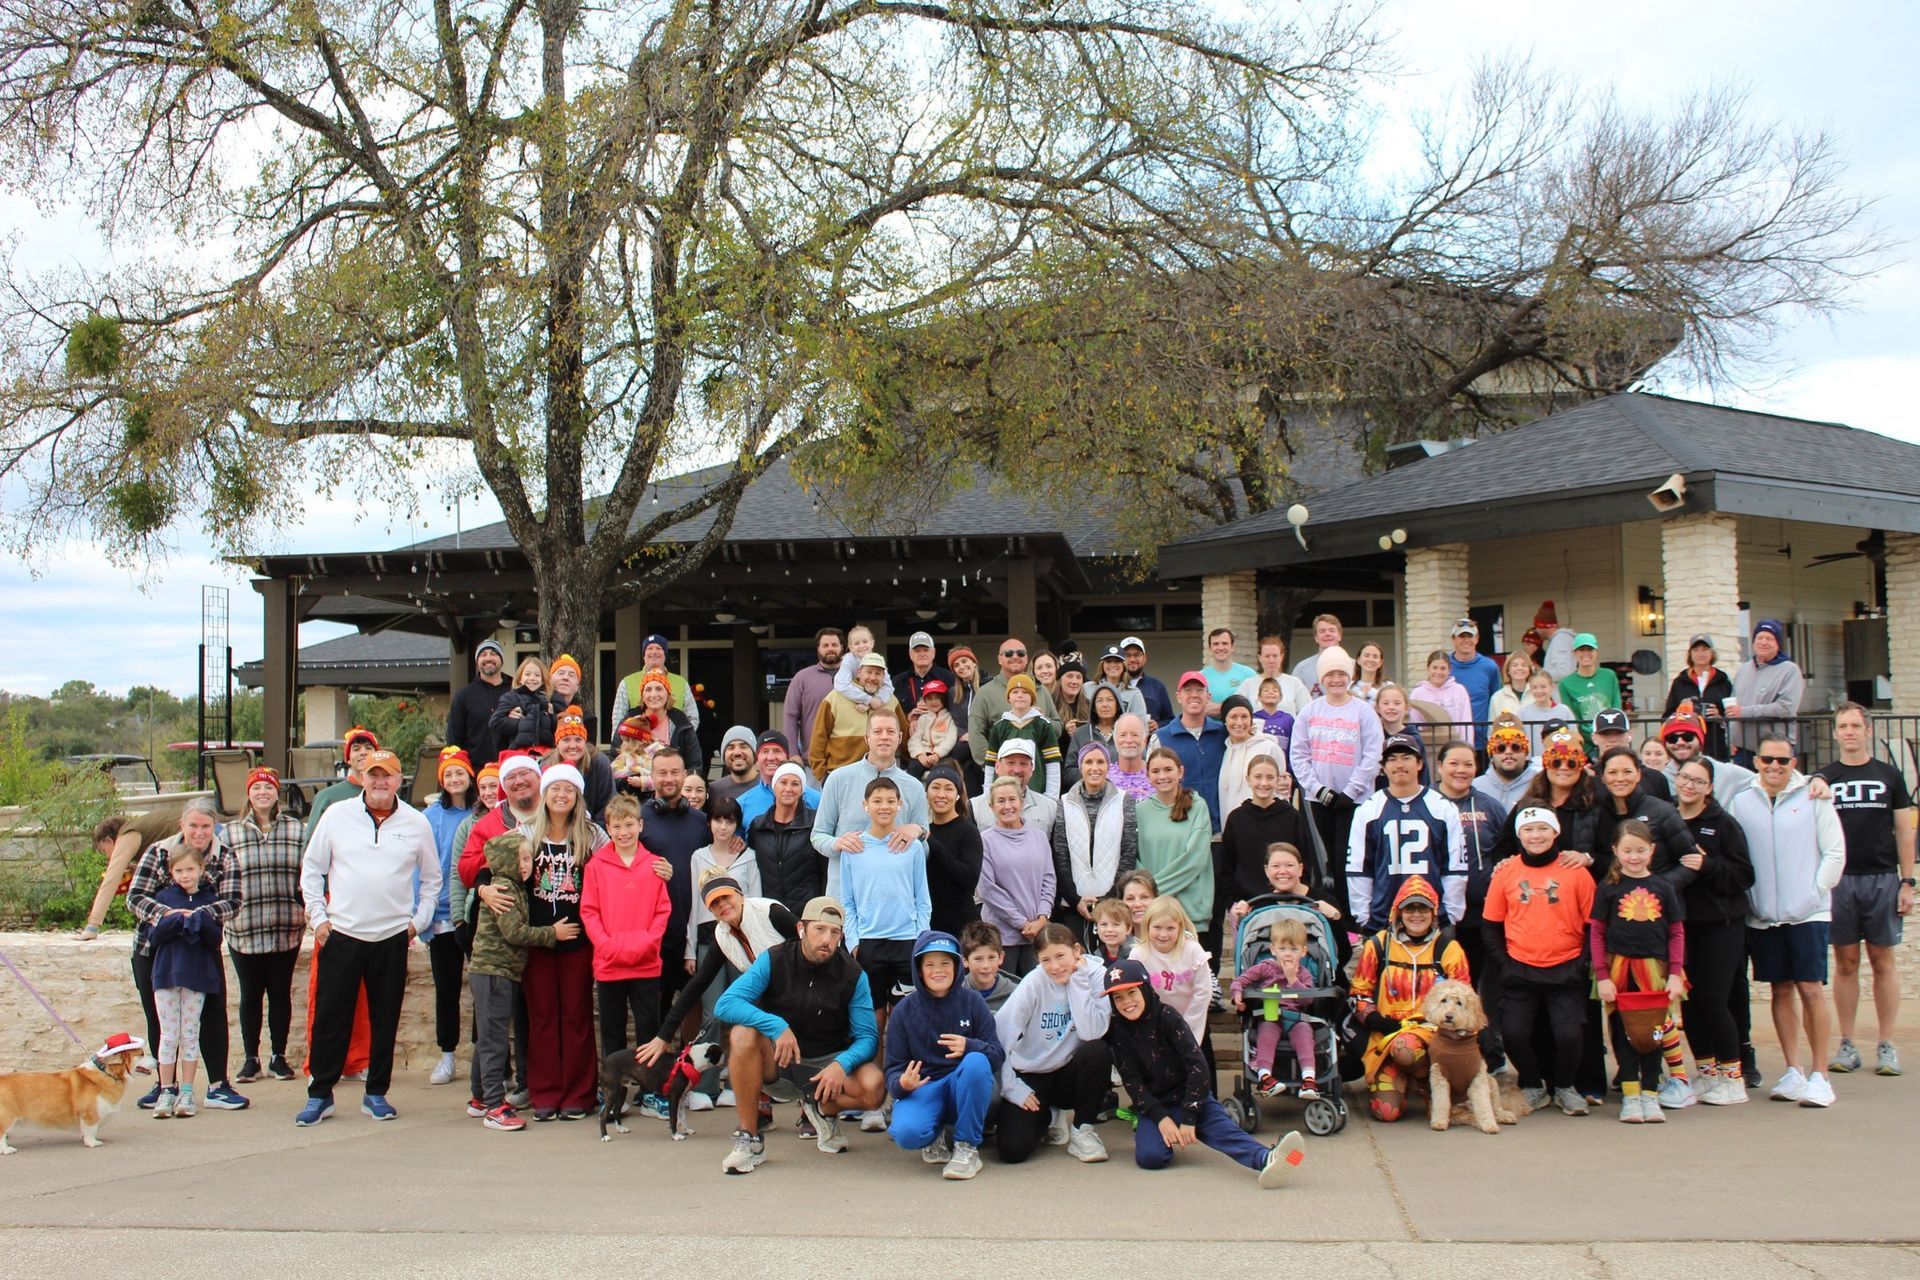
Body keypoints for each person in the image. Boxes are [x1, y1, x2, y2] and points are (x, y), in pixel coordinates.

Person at [297, 750, 439, 1126]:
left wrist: (418, 921)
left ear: (399, 780)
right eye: (372, 774)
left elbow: (431, 879)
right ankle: (320, 1094)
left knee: (385, 1018)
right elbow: (312, 870)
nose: (379, 782)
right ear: (361, 777)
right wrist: (318, 918)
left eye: (386, 776)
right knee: (331, 1018)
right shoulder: (337, 815)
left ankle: (376, 1092)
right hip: (342, 933)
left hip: (392, 936)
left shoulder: (416, 822)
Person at [714, 896, 889, 1174]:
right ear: (800, 929)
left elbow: (868, 1038)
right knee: (741, 1035)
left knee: (874, 1087)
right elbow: (726, 1003)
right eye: (819, 929)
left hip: (826, 1067)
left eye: (834, 932)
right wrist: (776, 1026)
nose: (827, 939)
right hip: (780, 1062)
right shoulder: (774, 958)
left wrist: (841, 1065)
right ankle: (750, 1138)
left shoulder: (853, 974)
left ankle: (823, 1111)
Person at [1101, 957, 1305, 1187]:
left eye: (1131, 993)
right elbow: (1131, 1080)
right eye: (1118, 997)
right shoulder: (1118, 1031)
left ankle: (1268, 1158)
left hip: (1191, 1095)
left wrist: (1190, 1115)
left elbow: (1197, 1066)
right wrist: (1160, 1118)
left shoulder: (1167, 1017)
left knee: (1222, 1130)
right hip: (1156, 1104)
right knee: (1151, 1157)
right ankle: (1171, 1132)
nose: (1126, 1002)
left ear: (1146, 989)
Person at [1729, 733, 1847, 1107]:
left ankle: (1820, 1075)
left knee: (1811, 989)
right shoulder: (1741, 801)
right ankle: (1793, 1070)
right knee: (1779, 990)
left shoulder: (1814, 797)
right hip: (1764, 917)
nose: (1774, 767)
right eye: (1767, 760)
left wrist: (1814, 894)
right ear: (1757, 762)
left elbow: (1834, 852)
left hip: (1808, 913)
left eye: (1782, 760)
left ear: (1794, 762)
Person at [126, 799, 247, 1113]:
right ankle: (165, 1085)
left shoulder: (225, 856)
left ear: (213, 827)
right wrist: (171, 915)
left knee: (212, 1013)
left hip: (201, 950)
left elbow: (232, 901)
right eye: (193, 825)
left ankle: (218, 1085)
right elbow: (136, 897)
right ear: (182, 824)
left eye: (206, 826)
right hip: (154, 949)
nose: (199, 832)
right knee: (160, 1018)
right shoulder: (158, 853)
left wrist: (195, 914)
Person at [1818, 703, 1917, 1077]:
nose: (1849, 732)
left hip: (1882, 879)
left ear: (1867, 730)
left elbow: (1904, 832)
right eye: (1842, 726)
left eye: (1855, 725)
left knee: (1882, 962)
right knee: (1845, 964)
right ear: (1835, 732)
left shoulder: (1889, 776)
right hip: (1840, 882)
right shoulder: (1824, 777)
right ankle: (1847, 1043)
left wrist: (1907, 882)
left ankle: (1887, 1044)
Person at [1483, 806, 1597, 1116]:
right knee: (1514, 1033)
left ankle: (1564, 1087)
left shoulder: (1576, 872)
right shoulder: (1506, 872)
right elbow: (1491, 923)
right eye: (1529, 830)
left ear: (1555, 832)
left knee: (1569, 1035)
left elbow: (1593, 925)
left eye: (1543, 829)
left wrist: (1582, 963)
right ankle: (1533, 1085)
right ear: (1519, 835)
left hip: (1567, 967)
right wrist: (1505, 964)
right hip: (1520, 967)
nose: (1536, 836)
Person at [467, 832, 569, 1132]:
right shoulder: (504, 889)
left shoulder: (513, 886)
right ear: (506, 861)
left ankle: (479, 1098)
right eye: (522, 859)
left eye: (529, 859)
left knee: (488, 1034)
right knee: (494, 1038)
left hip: (501, 971)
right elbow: (515, 933)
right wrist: (552, 934)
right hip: (493, 971)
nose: (527, 865)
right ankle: (495, 1106)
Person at [883, 930, 1006, 1180]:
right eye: (930, 964)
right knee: (907, 1133)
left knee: (976, 1061)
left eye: (945, 963)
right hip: (925, 1086)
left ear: (957, 966)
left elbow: (996, 1054)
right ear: (919, 970)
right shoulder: (904, 1010)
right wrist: (901, 1085)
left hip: (961, 1083)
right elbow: (893, 1068)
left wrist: (970, 1045)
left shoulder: (972, 1002)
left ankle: (967, 1148)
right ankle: (934, 1133)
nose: (938, 971)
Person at [1592, 819, 1690, 1123]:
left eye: (1640, 850)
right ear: (1615, 851)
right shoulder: (1608, 888)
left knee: (1655, 1032)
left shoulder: (1663, 887)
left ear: (1652, 850)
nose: (1634, 857)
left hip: (1655, 971)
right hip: (1620, 971)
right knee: (1624, 1032)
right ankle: (1631, 1095)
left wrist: (1675, 973)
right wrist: (1603, 975)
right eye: (1627, 851)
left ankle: (1651, 1092)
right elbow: (1597, 933)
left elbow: (1676, 932)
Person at [1672, 758, 1756, 1106]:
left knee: (1713, 1000)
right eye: (1685, 778)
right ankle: (1707, 1073)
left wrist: (1709, 865)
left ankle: (1732, 1077)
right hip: (1681, 925)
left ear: (1710, 787)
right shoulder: (1668, 819)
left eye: (1698, 781)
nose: (1689, 785)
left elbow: (1744, 875)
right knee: (1689, 1005)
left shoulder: (1723, 825)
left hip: (1721, 925)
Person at [1349, 875, 1469, 1122]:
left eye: (1423, 908)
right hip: (1387, 1035)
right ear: (1398, 912)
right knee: (1386, 1112)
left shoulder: (1448, 948)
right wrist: (1374, 1019)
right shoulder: (1378, 944)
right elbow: (1358, 993)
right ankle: (1412, 1079)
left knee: (1406, 1049)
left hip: (1436, 1035)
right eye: (1410, 908)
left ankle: (1429, 1082)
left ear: (1434, 913)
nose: (1417, 914)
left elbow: (1465, 998)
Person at [993, 924, 1113, 1164]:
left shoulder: (1096, 975)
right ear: (1037, 960)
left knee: (1098, 1051)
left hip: (1069, 1072)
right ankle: (1048, 1115)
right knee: (1012, 1151)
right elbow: (1000, 1038)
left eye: (1060, 956)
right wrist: (1012, 1088)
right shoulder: (1033, 983)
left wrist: (1078, 981)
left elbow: (1092, 1032)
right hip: (1032, 1073)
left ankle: (1082, 1130)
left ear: (1076, 951)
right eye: (1046, 960)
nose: (1055, 967)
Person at [1289, 645, 1383, 920]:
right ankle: (1329, 915)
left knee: (1349, 858)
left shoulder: (1363, 711)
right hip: (1319, 800)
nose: (1336, 680)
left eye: (1342, 673)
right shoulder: (1309, 711)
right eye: (1330, 674)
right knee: (1324, 860)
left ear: (1350, 675)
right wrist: (1318, 789)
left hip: (1355, 801)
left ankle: (1354, 915)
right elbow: (1298, 754)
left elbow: (1373, 753)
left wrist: (1350, 791)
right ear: (1322, 678)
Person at [225, 768, 305, 1085]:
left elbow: (309, 872)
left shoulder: (296, 830)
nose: (262, 792)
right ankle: (250, 1058)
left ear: (276, 794)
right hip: (245, 927)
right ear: (248, 793)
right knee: (251, 994)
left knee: (280, 993)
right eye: (257, 787)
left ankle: (279, 1056)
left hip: (286, 925)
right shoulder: (230, 833)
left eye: (268, 788)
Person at [581, 793, 671, 1061]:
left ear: (640, 826)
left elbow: (662, 910)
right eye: (617, 826)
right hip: (609, 963)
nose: (624, 832)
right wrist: (607, 945)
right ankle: (614, 1093)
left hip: (646, 962)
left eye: (629, 825)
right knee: (612, 1031)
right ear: (607, 828)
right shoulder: (596, 866)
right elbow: (589, 911)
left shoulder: (654, 864)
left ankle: (648, 1091)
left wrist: (648, 942)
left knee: (648, 1029)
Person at [1347, 733, 1468, 932]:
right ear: (1383, 768)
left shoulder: (1442, 808)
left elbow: (1455, 866)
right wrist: (1365, 917)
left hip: (1434, 918)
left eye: (1406, 758)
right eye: (1392, 759)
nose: (1399, 764)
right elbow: (1359, 869)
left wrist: (1450, 915)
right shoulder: (1368, 810)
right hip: (1383, 919)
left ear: (1420, 763)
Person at [841, 777, 932, 1040]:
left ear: (899, 805)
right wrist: (855, 942)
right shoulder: (854, 848)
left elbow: (922, 899)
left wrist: (920, 939)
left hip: (907, 942)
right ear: (865, 805)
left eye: (891, 801)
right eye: (877, 801)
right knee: (874, 1018)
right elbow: (847, 901)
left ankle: (900, 1077)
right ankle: (874, 1078)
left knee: (906, 1018)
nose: (884, 806)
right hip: (870, 943)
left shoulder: (912, 847)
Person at [810, 707, 931, 898]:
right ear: (867, 738)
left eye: (890, 732)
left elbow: (922, 851)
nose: (884, 737)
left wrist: (919, 832)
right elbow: (817, 836)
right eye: (877, 731)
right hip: (845, 895)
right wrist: (837, 843)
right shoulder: (838, 779)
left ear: (900, 738)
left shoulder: (914, 787)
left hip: (893, 897)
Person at [1434, 740, 1507, 1048]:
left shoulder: (1490, 806)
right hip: (1439, 915)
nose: (1461, 771)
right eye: (1454, 764)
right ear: (1439, 767)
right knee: (1446, 983)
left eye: (1468, 765)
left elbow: (1506, 851)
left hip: (1482, 913)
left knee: (1483, 985)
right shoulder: (1428, 803)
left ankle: (1490, 1049)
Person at [144, 843, 224, 1120]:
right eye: (179, 870)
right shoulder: (163, 897)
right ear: (171, 871)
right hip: (167, 973)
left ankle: (188, 1091)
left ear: (201, 870)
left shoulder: (209, 899)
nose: (185, 875)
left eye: (190, 869)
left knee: (190, 1034)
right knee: (169, 1035)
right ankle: (167, 1088)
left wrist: (197, 920)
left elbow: (214, 937)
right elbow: (154, 935)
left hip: (197, 974)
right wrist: (178, 919)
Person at [417, 748, 475, 1086]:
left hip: (472, 912)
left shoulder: (480, 813)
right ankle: (447, 1054)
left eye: (460, 773)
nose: (455, 779)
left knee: (483, 989)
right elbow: (419, 865)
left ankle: (485, 1052)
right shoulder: (430, 817)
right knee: (447, 988)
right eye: (448, 775)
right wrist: (420, 913)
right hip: (440, 915)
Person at [640, 749, 712, 1020]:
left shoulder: (701, 822)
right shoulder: (639, 821)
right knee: (654, 1004)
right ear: (652, 776)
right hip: (654, 931)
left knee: (692, 999)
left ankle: (686, 1060)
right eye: (662, 773)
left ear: (684, 775)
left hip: (690, 928)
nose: (668, 778)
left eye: (674, 772)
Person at [1051, 741, 1140, 934]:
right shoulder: (1065, 802)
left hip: (1113, 902)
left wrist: (1108, 898)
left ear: (1108, 766)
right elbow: (1061, 855)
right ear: (1080, 766)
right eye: (1088, 762)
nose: (1094, 768)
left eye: (1100, 762)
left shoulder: (1124, 800)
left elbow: (1128, 852)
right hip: (1074, 904)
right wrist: (1075, 899)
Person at [1231, 917, 1324, 1099]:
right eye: (1282, 949)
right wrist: (1237, 994)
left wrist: (1292, 979)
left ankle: (1309, 1079)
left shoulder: (1304, 974)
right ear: (1273, 949)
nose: (1287, 954)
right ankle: (1265, 1077)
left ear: (1303, 952)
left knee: (1305, 1034)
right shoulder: (1265, 968)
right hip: (1270, 1015)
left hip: (1297, 1018)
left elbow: (1308, 1000)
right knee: (1266, 1033)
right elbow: (1240, 980)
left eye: (1293, 949)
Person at [1135, 747, 1214, 955]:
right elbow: (1135, 859)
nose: (1162, 776)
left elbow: (1194, 859)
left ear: (1180, 771)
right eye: (1155, 771)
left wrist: (1154, 892)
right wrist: (1148, 898)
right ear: (1148, 775)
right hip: (1154, 915)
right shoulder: (1140, 811)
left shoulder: (1198, 807)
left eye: (1168, 769)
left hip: (1189, 909)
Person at [977, 777, 1058, 977]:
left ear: (1021, 802)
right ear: (991, 806)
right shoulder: (985, 841)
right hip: (1001, 938)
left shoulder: (1039, 837)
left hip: (1036, 935)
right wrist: (1021, 923)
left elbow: (1049, 879)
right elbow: (987, 889)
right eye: (1001, 801)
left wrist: (1042, 918)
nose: (1007, 806)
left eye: (1012, 799)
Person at [1219, 755, 1313, 910]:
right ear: (1248, 779)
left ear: (1277, 780)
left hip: (1287, 903)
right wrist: (1233, 903)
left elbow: (1305, 863)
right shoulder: (1236, 819)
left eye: (1270, 777)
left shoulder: (1292, 816)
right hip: (1247, 905)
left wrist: (1298, 899)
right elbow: (1227, 868)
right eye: (1258, 777)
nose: (1264, 783)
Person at [1592, 748, 1695, 883]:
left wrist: (1660, 886)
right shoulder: (1596, 813)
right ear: (1603, 778)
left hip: (1659, 899)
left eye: (1627, 771)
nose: (1620, 778)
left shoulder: (1662, 811)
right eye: (1612, 772)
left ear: (1638, 775)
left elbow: (1690, 861)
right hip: (1616, 898)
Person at [811, 653, 909, 782]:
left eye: (878, 673)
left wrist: (910, 765)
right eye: (868, 672)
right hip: (841, 776)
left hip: (882, 777)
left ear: (883, 677)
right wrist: (822, 775)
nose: (872, 677)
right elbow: (819, 738)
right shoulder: (834, 698)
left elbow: (905, 736)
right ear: (859, 673)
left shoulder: (890, 700)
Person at [968, 637, 1061, 767]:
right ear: (1000, 659)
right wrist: (993, 765)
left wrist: (1042, 719)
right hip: (1002, 776)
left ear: (1027, 658)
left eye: (1020, 653)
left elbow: (1058, 728)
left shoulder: (1040, 690)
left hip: (1038, 772)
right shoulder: (985, 693)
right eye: (1009, 653)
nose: (1015, 656)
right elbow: (976, 734)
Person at [1137, 895, 1214, 1050]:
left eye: (1170, 928)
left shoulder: (1193, 950)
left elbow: (1203, 991)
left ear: (1180, 927)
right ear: (1147, 926)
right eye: (1157, 927)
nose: (1163, 934)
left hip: (1190, 1019)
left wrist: (1187, 1025)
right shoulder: (1138, 955)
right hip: (1154, 1023)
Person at [1158, 672, 1228, 836]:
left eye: (1199, 690)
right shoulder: (1161, 738)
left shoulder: (1223, 735)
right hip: (1177, 828)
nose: (1194, 695)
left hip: (1217, 831)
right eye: (1188, 690)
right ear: (1178, 697)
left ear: (1208, 696)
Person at [1727, 619, 1806, 763]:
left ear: (1778, 644)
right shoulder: (1744, 669)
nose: (1763, 642)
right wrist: (1730, 739)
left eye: (1769, 638)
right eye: (1760, 638)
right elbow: (1734, 708)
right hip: (1742, 750)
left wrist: (1745, 712)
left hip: (1774, 752)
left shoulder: (1789, 670)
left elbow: (1786, 708)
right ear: (1753, 642)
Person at [924, 763, 983, 936]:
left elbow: (969, 878)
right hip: (931, 922)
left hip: (962, 925)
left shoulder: (968, 830)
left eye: (948, 789)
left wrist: (933, 843)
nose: (941, 795)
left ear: (957, 795)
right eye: (935, 787)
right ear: (927, 792)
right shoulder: (925, 831)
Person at [983, 673, 1063, 794]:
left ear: (1032, 698)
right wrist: (987, 793)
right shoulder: (999, 727)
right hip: (1004, 793)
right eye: (1015, 692)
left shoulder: (1043, 726)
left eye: (1025, 692)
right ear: (1008, 697)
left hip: (1036, 793)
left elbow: (1052, 764)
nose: (1020, 696)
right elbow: (990, 764)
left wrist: (1051, 797)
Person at [303, 725, 380, 839]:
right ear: (347, 759)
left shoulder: (387, 796)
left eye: (368, 748)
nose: (363, 752)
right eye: (356, 749)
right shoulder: (326, 798)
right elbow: (311, 845)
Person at [1665, 633, 1734, 759]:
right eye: (1696, 650)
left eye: (1705, 649)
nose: (1700, 653)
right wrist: (1682, 712)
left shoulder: (1723, 680)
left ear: (1712, 653)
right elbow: (1667, 715)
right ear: (1690, 654)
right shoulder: (1680, 682)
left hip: (1716, 742)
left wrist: (1719, 717)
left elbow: (1732, 713)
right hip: (1687, 742)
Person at [610, 632, 699, 729]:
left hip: (673, 744)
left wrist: (682, 738)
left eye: (658, 648)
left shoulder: (681, 683)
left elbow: (693, 718)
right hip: (638, 743)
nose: (654, 652)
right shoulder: (627, 683)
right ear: (643, 655)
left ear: (665, 655)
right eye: (649, 648)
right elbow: (617, 720)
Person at [736, 730, 822, 829]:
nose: (771, 757)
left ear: (787, 757)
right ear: (757, 759)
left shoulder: (815, 799)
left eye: (777, 751)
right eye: (765, 751)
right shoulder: (742, 804)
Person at [781, 627, 847, 756]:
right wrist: (793, 753)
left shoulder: (856, 677)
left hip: (850, 759)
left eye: (834, 645)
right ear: (818, 649)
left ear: (842, 647)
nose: (830, 649)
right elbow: (790, 716)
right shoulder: (802, 678)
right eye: (825, 645)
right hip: (813, 761)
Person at [1215, 695, 1279, 826]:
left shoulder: (1269, 747)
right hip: (1232, 830)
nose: (1239, 722)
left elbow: (1280, 791)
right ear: (1225, 721)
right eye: (1233, 717)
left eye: (1244, 716)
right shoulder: (1226, 750)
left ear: (1251, 720)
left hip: (1263, 827)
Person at [967, 739, 1059, 829]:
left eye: (1023, 764)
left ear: (1031, 769)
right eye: (1010, 763)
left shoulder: (1050, 808)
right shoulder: (975, 808)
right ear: (997, 766)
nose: (1017, 770)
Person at [446, 638, 509, 770]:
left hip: (510, 768)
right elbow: (454, 740)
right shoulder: (464, 696)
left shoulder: (515, 691)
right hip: (476, 771)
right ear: (477, 661)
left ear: (501, 659)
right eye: (483, 654)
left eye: (493, 653)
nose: (488, 658)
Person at [1590, 710, 1671, 804]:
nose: (1612, 739)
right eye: (1605, 734)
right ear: (1594, 738)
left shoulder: (1655, 778)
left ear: (1630, 735)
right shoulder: (1587, 779)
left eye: (1618, 733)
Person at [1556, 634, 1621, 752]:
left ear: (1597, 652)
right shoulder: (1566, 683)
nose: (1586, 653)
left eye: (1590, 649)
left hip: (1611, 738)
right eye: (1581, 650)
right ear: (1575, 653)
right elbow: (1572, 718)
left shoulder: (1609, 676)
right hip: (1585, 745)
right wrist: (1593, 737)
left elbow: (1617, 708)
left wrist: (1609, 735)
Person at [1444, 620, 1502, 745]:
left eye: (1470, 636)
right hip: (1450, 739)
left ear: (1476, 639)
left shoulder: (1489, 667)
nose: (1466, 640)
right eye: (1461, 636)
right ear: (1453, 639)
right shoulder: (1443, 665)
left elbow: (1496, 700)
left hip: (1481, 740)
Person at [1235, 634, 1311, 718]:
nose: (1271, 660)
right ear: (1260, 658)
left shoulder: (1294, 683)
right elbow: (1236, 709)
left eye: (1275, 656)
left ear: (1282, 657)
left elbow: (1307, 711)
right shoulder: (1248, 684)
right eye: (1267, 656)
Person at [1473, 718, 1539, 811]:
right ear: (1491, 754)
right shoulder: (1475, 787)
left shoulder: (1540, 784)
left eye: (1515, 747)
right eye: (1501, 748)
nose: (1508, 752)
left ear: (1526, 752)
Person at [489, 658, 550, 756]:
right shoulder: (511, 697)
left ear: (542, 680)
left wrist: (551, 716)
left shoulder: (548, 700)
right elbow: (495, 722)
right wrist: (520, 723)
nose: (532, 678)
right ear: (520, 678)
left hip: (544, 753)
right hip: (518, 753)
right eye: (527, 674)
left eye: (537, 675)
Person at [905, 679, 960, 778]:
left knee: (943, 771)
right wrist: (919, 754)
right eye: (929, 698)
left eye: (938, 698)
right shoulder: (923, 718)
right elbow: (914, 739)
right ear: (925, 700)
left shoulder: (950, 718)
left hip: (942, 755)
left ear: (944, 698)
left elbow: (950, 739)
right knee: (913, 768)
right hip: (924, 754)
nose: (934, 702)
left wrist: (937, 754)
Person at [960, 921, 1019, 1011]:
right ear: (965, 961)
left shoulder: (1017, 995)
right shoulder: (955, 993)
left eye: (991, 957)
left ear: (1000, 957)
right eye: (978, 959)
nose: (986, 965)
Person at [1118, 636, 1174, 730]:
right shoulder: (1112, 687)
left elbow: (1169, 719)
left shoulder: (1157, 686)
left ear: (1144, 658)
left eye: (1137, 655)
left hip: (1149, 742)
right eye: (1127, 655)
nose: (1132, 659)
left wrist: (1158, 725)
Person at [1409, 648, 1472, 731]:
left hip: (1455, 742)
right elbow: (1414, 723)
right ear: (1428, 668)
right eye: (1435, 667)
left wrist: (1465, 744)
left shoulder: (1459, 691)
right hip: (1427, 742)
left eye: (1443, 668)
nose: (1438, 672)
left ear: (1449, 670)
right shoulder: (1417, 693)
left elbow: (1466, 722)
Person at [894, 629, 957, 711]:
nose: (922, 654)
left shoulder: (950, 679)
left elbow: (957, 710)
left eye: (926, 650)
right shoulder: (897, 682)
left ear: (934, 652)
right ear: (910, 654)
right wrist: (909, 717)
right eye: (917, 651)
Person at [1518, 670, 1575, 758]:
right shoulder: (1524, 713)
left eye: (1543, 687)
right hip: (1533, 763)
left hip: (1559, 761)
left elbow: (1573, 738)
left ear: (1551, 686)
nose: (1539, 691)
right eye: (1534, 687)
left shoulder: (1564, 711)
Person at [1199, 627, 1256, 715]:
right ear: (1210, 648)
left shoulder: (1249, 674)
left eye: (1225, 643)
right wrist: (1238, 704)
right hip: (1213, 728)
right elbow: (1203, 709)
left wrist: (1217, 707)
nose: (1220, 647)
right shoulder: (1201, 677)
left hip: (1242, 727)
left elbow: (1255, 706)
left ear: (1232, 647)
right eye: (1216, 644)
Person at [1093, 645, 1151, 724]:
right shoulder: (1088, 688)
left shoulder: (1134, 693)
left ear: (1124, 665)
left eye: (1117, 661)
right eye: (1108, 661)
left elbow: (1141, 726)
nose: (1112, 665)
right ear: (1102, 665)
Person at [1290, 614, 1345, 695]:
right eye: (1322, 631)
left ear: (1340, 636)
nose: (1327, 634)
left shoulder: (1354, 667)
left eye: (1332, 630)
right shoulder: (1302, 669)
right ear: (1316, 638)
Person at [709, 727, 761, 808]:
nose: (737, 753)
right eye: (731, 747)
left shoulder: (770, 786)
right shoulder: (714, 790)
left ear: (754, 753)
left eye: (743, 746)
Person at [1109, 714, 1154, 799]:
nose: (1129, 740)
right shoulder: (1105, 778)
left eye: (1135, 735)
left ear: (1145, 740)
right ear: (1115, 740)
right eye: (1123, 735)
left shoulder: (1157, 775)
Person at [1488, 649, 1535, 724]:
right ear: (1508, 670)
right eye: (1515, 665)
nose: (1519, 668)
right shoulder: (1497, 697)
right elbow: (1492, 728)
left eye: (1524, 665)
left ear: (1529, 670)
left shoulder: (1537, 694)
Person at [1534, 601, 1576, 682]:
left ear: (1542, 626)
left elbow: (1564, 671)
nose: (1536, 630)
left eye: (1536, 627)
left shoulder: (1560, 640)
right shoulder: (1560, 639)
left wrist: (1540, 673)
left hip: (1563, 693)